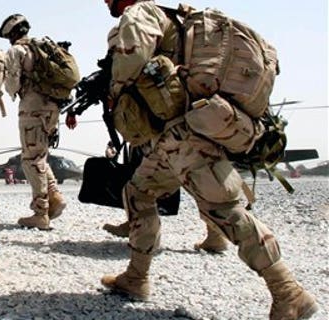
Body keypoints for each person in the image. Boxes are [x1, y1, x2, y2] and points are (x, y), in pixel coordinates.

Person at [96, 1, 318, 318]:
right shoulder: (177, 18)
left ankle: (289, 293)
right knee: (138, 192)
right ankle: (136, 277)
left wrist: (115, 92)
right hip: (183, 130)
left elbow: (131, 56)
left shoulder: (141, 13)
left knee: (225, 209)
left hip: (183, 134)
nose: (105, 2)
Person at [0, 14, 68, 230]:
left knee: (30, 159)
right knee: (40, 155)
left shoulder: (16, 51)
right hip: (52, 109)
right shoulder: (44, 48)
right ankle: (54, 197)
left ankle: (40, 213)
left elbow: (11, 86)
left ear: (11, 34)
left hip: (32, 107)